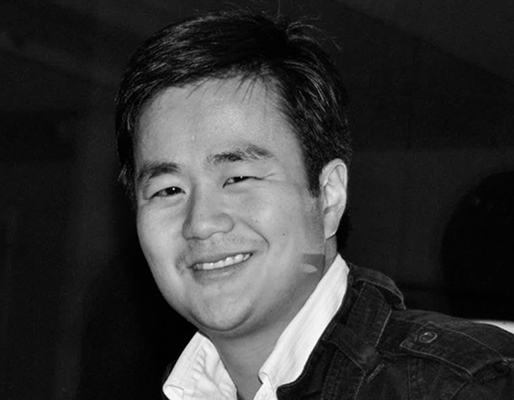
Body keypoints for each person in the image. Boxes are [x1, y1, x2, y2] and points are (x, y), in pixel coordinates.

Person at [114, 9, 514, 400]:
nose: (201, 223)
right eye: (168, 190)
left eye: (238, 178)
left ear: (328, 196)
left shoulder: (465, 386)